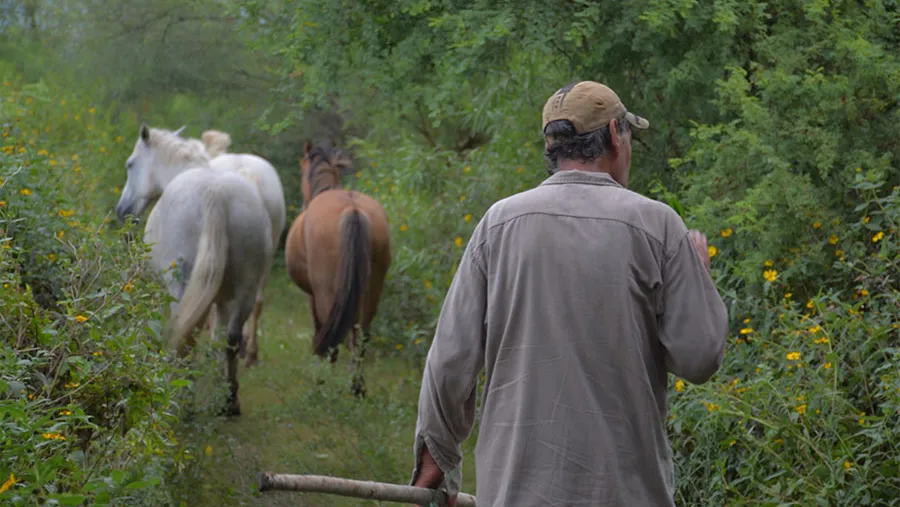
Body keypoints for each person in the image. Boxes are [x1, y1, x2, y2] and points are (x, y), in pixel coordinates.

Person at [408, 80, 730, 506]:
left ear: (552, 148)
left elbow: (451, 358)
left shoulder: (498, 224)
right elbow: (700, 358)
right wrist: (697, 278)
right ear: (616, 135)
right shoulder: (658, 227)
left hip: (515, 494)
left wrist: (437, 458)